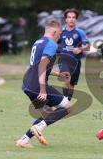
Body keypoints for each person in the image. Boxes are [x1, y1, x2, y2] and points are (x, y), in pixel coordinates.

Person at [16, 19, 70, 148]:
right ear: (55, 31)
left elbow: (38, 66)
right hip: (37, 86)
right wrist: (43, 90)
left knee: (47, 114)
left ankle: (23, 140)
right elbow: (41, 67)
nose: (60, 36)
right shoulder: (51, 44)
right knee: (67, 107)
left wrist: (58, 74)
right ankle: (38, 128)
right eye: (60, 33)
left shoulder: (38, 42)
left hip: (27, 84)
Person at [59, 8, 90, 101]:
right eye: (69, 17)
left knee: (72, 84)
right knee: (66, 76)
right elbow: (55, 42)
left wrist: (80, 49)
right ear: (66, 19)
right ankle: (63, 101)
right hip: (64, 59)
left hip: (76, 61)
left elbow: (87, 46)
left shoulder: (80, 32)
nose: (71, 19)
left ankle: (67, 102)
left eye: (73, 17)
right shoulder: (61, 32)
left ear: (76, 19)